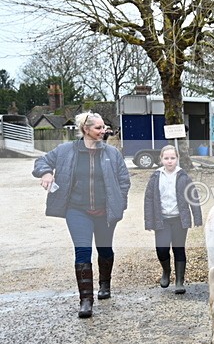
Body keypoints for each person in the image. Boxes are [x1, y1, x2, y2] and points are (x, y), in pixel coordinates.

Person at [32, 111, 130, 318]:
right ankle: (86, 300)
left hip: (105, 211)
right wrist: (47, 173)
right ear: (85, 129)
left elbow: (124, 180)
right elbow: (41, 162)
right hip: (77, 211)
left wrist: (119, 203)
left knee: (105, 250)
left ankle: (105, 284)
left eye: (104, 127)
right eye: (98, 128)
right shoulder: (66, 150)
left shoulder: (112, 153)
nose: (103, 131)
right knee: (83, 252)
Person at [144, 145, 203, 294]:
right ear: (161, 159)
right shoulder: (156, 177)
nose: (169, 161)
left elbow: (193, 197)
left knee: (179, 249)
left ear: (177, 159)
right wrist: (149, 221)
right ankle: (166, 271)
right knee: (162, 249)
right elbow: (149, 199)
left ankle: (179, 281)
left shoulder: (183, 176)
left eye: (172, 158)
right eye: (166, 158)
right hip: (162, 219)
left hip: (179, 219)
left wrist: (197, 217)